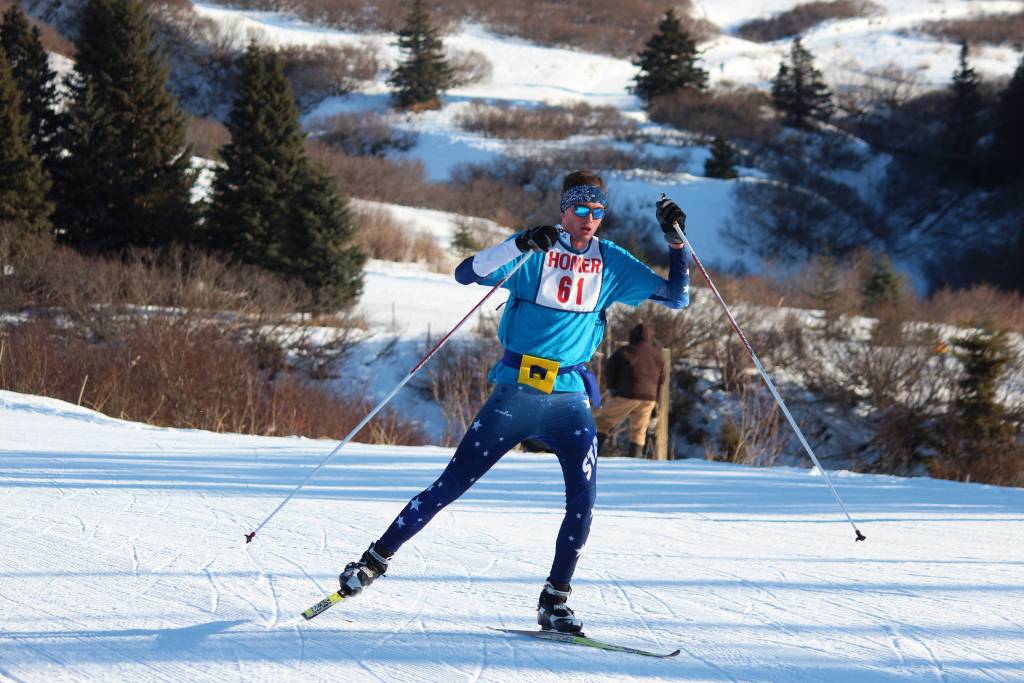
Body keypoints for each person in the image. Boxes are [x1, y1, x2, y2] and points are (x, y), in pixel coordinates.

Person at [338, 170, 690, 634]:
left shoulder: (612, 261)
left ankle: (555, 601)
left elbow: (677, 296)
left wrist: (676, 242)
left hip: (569, 400)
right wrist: (519, 244)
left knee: (583, 502)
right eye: (580, 210)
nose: (588, 220)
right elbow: (467, 274)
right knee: (449, 487)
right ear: (563, 211)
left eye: (597, 212)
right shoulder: (536, 250)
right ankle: (373, 561)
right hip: (516, 394)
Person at [595, 323, 665, 458]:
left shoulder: (625, 351)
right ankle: (635, 460)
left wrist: (612, 388)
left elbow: (609, 370)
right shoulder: (658, 355)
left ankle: (591, 454)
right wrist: (657, 402)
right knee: (639, 432)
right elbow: (662, 381)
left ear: (633, 335)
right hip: (649, 399)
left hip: (626, 394)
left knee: (602, 423)